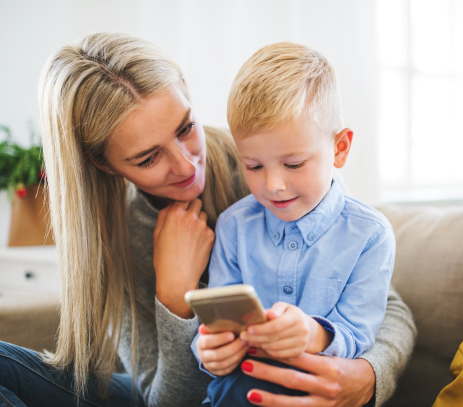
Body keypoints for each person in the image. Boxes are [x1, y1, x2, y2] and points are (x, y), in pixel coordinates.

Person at [0, 32, 416, 407]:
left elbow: (384, 305)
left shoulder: (271, 166)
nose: (185, 166)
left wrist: (368, 375)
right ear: (104, 165)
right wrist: (174, 295)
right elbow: (161, 398)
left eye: (186, 128)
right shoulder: (118, 233)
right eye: (148, 157)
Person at [192, 42, 396, 407]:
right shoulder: (234, 226)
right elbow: (220, 319)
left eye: (294, 164)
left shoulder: (370, 235)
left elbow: (358, 332)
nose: (272, 185)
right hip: (236, 391)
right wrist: (208, 350)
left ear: (340, 148)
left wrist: (314, 335)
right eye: (253, 166)